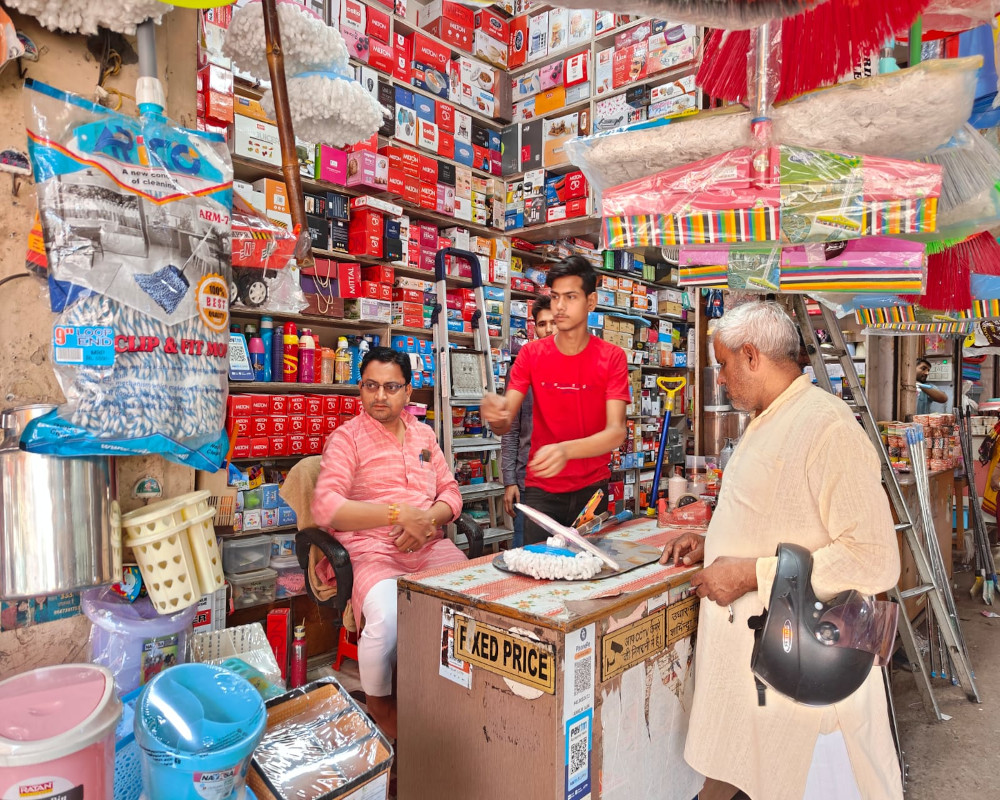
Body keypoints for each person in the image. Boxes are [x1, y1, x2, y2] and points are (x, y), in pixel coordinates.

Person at [660, 301, 902, 800]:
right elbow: (784, 517)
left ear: (752, 356)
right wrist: (714, 544)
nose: (721, 379)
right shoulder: (771, 417)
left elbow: (873, 556)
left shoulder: (827, 426)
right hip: (767, 668)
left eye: (724, 365)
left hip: (809, 671)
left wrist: (751, 574)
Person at [311, 346, 466, 739]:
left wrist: (427, 519)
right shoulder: (347, 439)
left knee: (469, 603)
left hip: (430, 547)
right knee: (389, 616)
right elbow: (327, 507)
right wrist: (399, 515)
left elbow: (451, 493)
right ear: (360, 389)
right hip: (372, 551)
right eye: (371, 386)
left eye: (391, 386)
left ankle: (452, 696)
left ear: (408, 392)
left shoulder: (424, 435)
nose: (380, 396)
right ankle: (381, 702)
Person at [482, 256, 630, 544]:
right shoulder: (530, 355)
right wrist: (498, 417)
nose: (560, 306)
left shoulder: (612, 357)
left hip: (592, 490)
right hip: (541, 491)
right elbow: (506, 423)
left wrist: (566, 451)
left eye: (571, 297)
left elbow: (617, 432)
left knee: (588, 575)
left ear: (591, 302)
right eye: (555, 297)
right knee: (536, 572)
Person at [501, 296, 556, 547]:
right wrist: (510, 480)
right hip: (529, 483)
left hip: (570, 484)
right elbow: (511, 430)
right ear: (535, 328)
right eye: (542, 324)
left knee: (570, 558)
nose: (549, 329)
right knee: (525, 554)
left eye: (554, 322)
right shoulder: (521, 369)